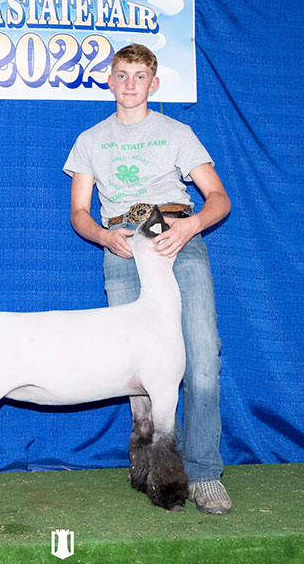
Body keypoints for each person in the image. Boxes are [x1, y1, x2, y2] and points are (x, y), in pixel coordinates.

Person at [63, 44, 232, 514]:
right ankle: (149, 469)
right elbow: (78, 211)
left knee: (201, 357)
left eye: (140, 76)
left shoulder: (177, 132)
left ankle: (202, 473)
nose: (131, 83)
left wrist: (190, 226)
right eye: (122, 74)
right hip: (123, 247)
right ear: (109, 80)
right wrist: (101, 235)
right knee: (133, 369)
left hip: (177, 241)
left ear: (153, 84)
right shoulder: (90, 140)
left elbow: (218, 198)